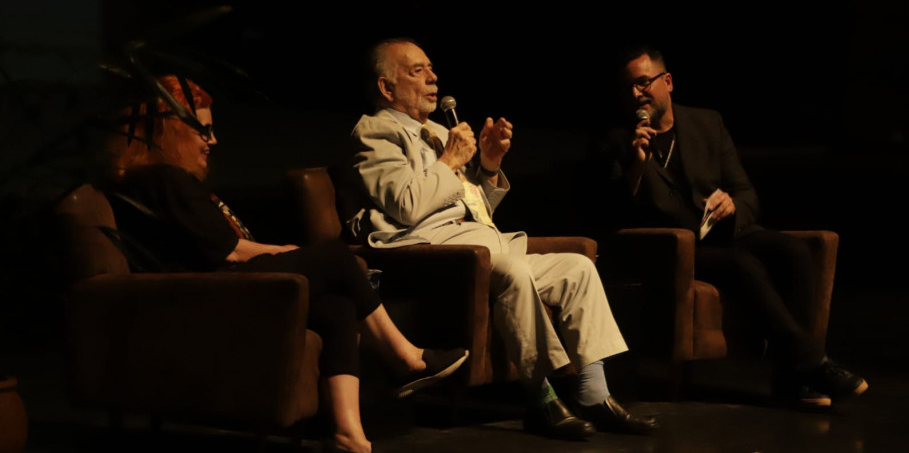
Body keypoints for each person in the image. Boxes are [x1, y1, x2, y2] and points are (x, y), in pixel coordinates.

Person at [107, 74, 469, 453]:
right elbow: (227, 251)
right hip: (205, 293)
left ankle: (350, 436)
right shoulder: (163, 178)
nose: (212, 141)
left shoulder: (170, 180)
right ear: (168, 130)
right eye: (203, 130)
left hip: (221, 284)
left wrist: (290, 254)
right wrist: (290, 255)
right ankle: (407, 357)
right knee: (333, 256)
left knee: (337, 307)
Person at [336, 37, 659, 441]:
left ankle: (594, 393)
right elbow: (406, 206)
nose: (433, 78)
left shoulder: (438, 132)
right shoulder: (375, 132)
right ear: (387, 88)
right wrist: (450, 160)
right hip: (430, 257)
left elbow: (472, 208)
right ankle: (540, 399)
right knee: (510, 269)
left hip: (478, 244)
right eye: (417, 71)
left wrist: (487, 167)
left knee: (576, 267)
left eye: (432, 68)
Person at [600, 44, 868, 409]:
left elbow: (747, 193)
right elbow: (613, 213)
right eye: (630, 86)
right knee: (743, 264)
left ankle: (792, 379)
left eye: (644, 83)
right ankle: (813, 363)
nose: (636, 94)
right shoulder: (619, 140)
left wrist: (733, 205)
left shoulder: (706, 123)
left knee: (795, 251)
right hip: (671, 248)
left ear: (668, 81)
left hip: (724, 233)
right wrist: (635, 165)